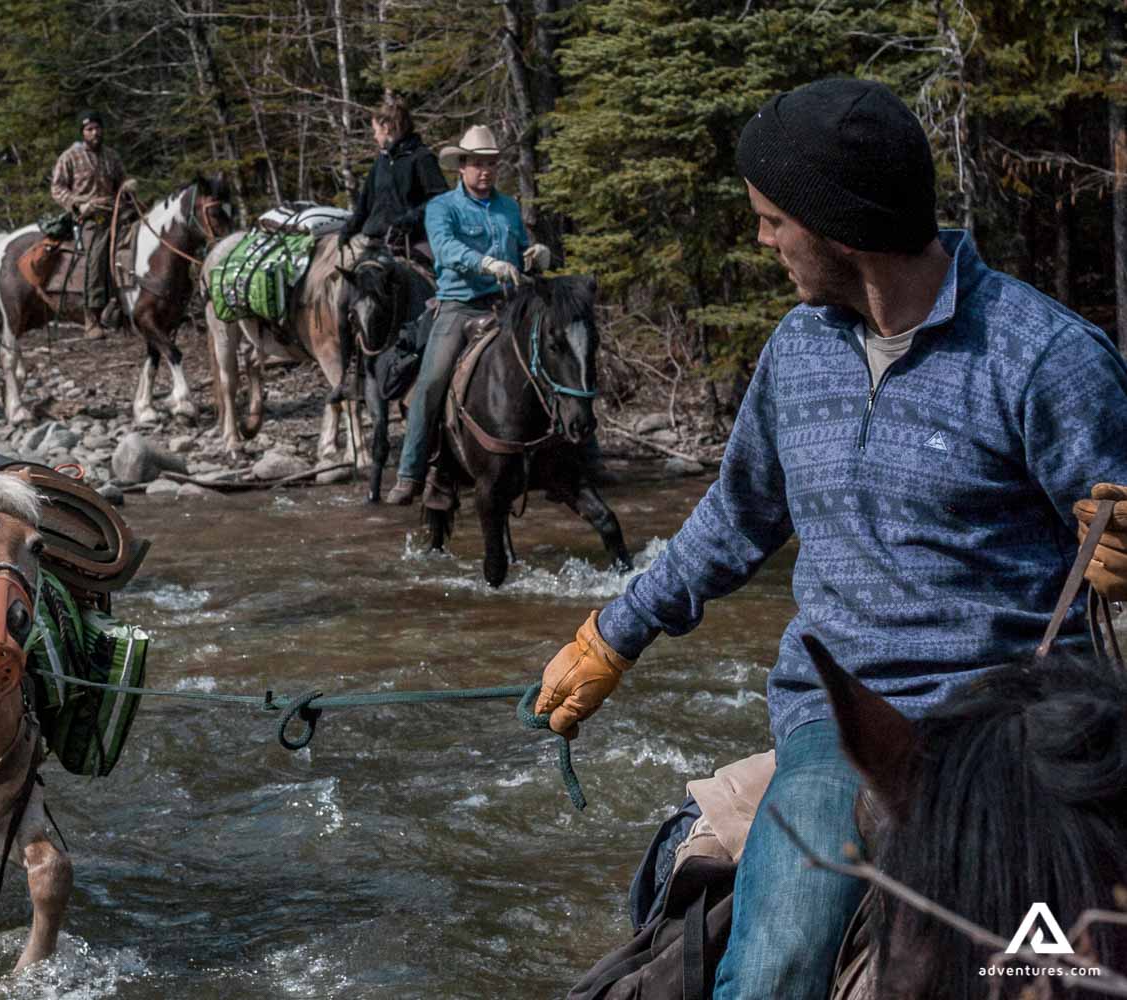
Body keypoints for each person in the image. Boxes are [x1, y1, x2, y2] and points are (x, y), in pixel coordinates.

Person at [532, 78, 1127, 999]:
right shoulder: (797, 350)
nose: (763, 239)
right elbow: (735, 520)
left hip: (1018, 734)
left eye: (774, 219)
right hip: (840, 724)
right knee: (772, 971)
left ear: (839, 228)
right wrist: (615, 632)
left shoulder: (1047, 360)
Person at [387, 124, 550, 505]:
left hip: (508, 304)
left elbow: (522, 251)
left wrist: (537, 254)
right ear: (461, 166)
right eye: (478, 164)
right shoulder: (443, 207)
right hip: (460, 306)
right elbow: (445, 250)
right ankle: (410, 472)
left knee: (557, 358)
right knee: (431, 382)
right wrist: (486, 263)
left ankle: (580, 456)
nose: (486, 171)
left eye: (491, 164)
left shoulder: (508, 207)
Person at [50, 110, 131, 340]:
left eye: (98, 128)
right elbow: (57, 188)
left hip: (116, 211)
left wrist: (128, 189)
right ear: (82, 132)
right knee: (96, 256)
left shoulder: (111, 156)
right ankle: (91, 317)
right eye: (90, 129)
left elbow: (122, 181)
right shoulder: (70, 157)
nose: (95, 133)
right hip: (89, 216)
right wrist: (78, 204)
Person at [340, 94, 448, 260]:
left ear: (387, 127)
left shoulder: (422, 158)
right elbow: (365, 204)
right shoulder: (381, 162)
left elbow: (440, 199)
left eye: (376, 130)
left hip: (413, 242)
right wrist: (349, 229)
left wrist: (410, 220)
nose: (375, 136)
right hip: (375, 243)